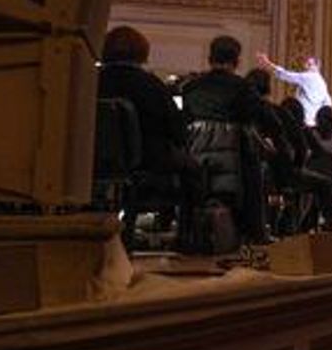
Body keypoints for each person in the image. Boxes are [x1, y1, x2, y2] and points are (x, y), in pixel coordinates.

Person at [96, 25, 201, 238]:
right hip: (149, 161)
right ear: (142, 52)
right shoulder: (151, 85)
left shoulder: (90, 81)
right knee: (195, 170)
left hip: (94, 161)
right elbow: (177, 130)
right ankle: (187, 237)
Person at [181, 36, 268, 245]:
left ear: (210, 58)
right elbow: (261, 116)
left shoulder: (190, 88)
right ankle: (255, 234)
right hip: (235, 160)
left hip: (196, 158)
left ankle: (186, 232)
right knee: (257, 170)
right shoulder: (242, 87)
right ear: (236, 61)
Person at [255, 52, 332, 127]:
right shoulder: (323, 83)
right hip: (313, 122)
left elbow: (286, 75)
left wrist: (268, 63)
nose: (306, 67)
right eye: (307, 64)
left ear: (317, 66)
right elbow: (328, 103)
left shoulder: (309, 77)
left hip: (304, 120)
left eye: (310, 64)